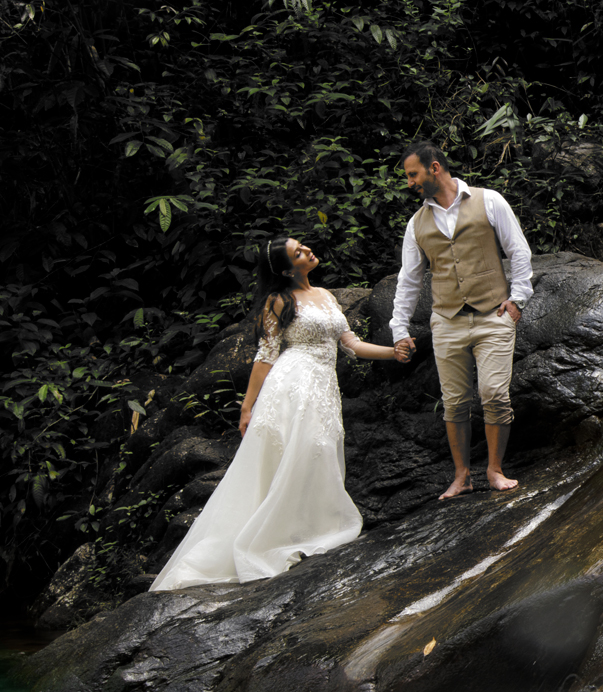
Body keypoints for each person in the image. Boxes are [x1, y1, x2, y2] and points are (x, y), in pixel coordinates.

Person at [151, 237, 409, 591]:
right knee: (297, 452)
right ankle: (270, 535)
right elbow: (266, 354)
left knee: (318, 451)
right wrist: (247, 404)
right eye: (299, 253)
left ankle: (309, 526)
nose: (308, 251)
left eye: (303, 246)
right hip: (292, 383)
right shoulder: (278, 301)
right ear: (288, 269)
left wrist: (391, 353)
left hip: (323, 384)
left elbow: (350, 345)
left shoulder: (327, 295)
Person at [389, 141, 534, 498]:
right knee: (454, 401)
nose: (409, 181)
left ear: (434, 168)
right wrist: (399, 328)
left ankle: (495, 470)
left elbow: (518, 250)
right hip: (447, 321)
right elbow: (409, 279)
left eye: (413, 174)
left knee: (494, 394)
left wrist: (518, 299)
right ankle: (462, 475)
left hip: (493, 314)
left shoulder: (489, 200)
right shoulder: (416, 223)